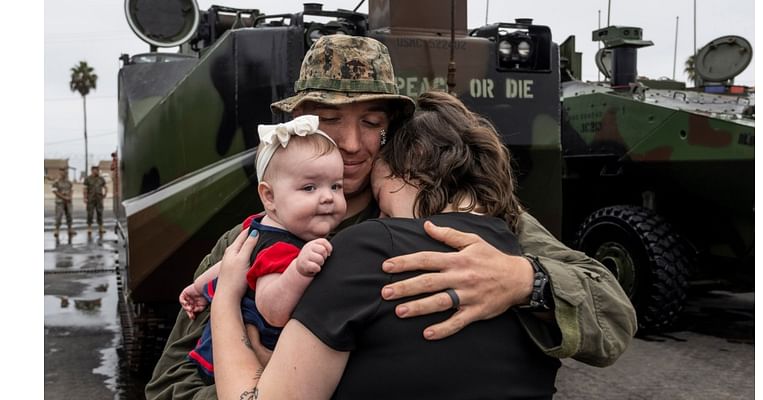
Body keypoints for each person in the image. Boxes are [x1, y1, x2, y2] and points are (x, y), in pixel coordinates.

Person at [145, 35, 636, 400]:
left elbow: (612, 316)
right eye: (331, 122)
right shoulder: (252, 240)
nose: (353, 144)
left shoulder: (453, 215)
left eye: (372, 123)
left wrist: (525, 279)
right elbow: (170, 383)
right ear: (301, 129)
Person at [211, 91, 568, 399]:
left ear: (410, 169)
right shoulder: (528, 263)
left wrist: (225, 299)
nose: (380, 217)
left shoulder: (368, 247)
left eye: (381, 201)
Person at [177, 116, 347, 381]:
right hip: (250, 365)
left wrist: (198, 286)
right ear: (269, 196)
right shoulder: (283, 249)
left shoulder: (257, 228)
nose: (328, 197)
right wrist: (299, 270)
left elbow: (234, 263)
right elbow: (272, 309)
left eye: (336, 186)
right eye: (309, 187)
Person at [83, 165, 107, 234]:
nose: (97, 171)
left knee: (100, 213)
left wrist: (105, 194)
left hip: (99, 199)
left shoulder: (101, 178)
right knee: (90, 213)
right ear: (92, 170)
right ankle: (89, 228)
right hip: (90, 199)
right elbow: (85, 189)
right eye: (95, 170)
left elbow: (105, 187)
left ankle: (101, 227)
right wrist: (85, 198)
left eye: (98, 169)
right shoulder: (87, 179)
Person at [52, 168, 75, 238]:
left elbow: (71, 190)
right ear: (60, 173)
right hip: (60, 202)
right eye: (62, 172)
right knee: (58, 216)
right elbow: (55, 191)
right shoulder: (56, 182)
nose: (63, 174)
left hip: (68, 202)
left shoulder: (69, 182)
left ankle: (70, 229)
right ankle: (57, 230)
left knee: (70, 215)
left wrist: (70, 196)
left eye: (65, 172)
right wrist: (64, 197)